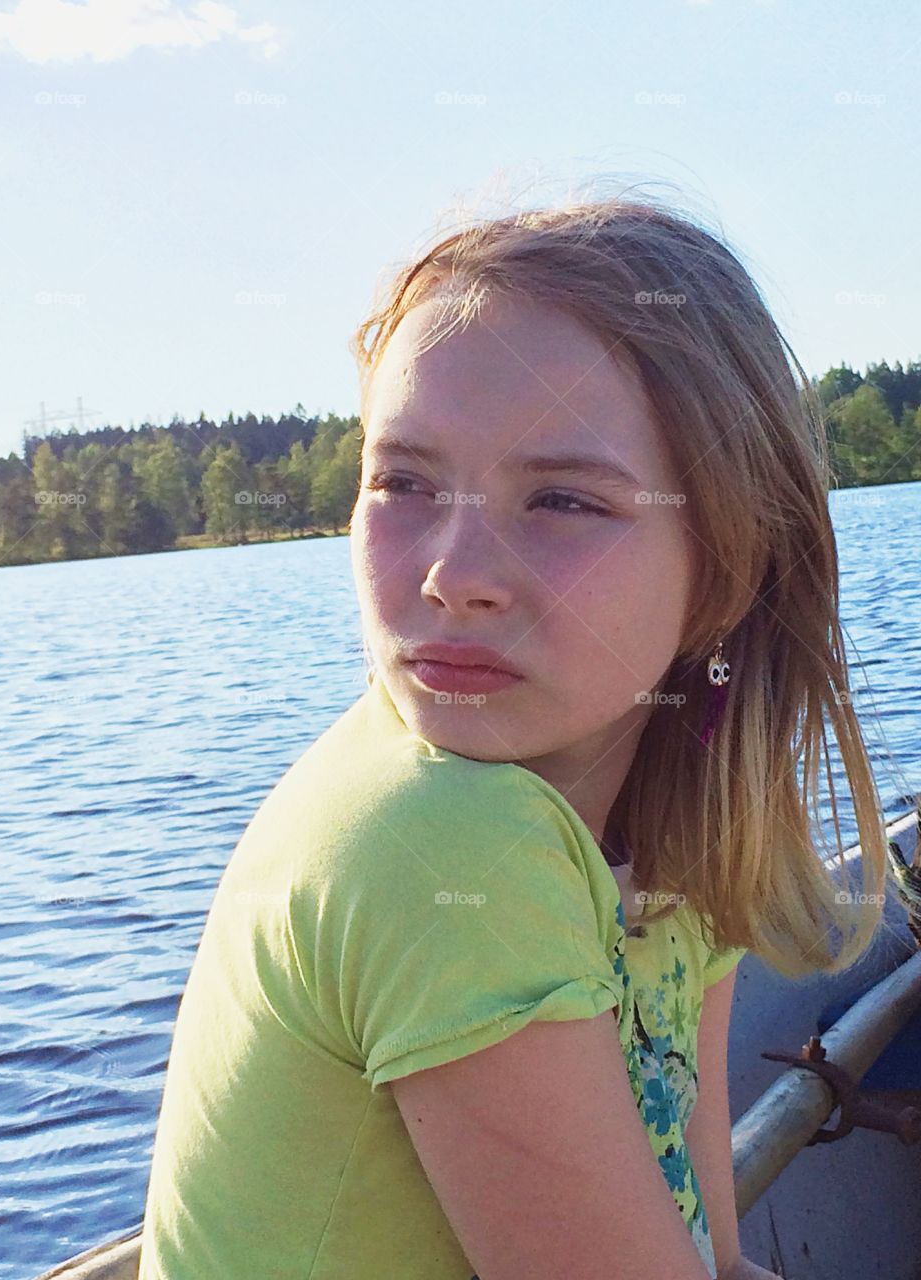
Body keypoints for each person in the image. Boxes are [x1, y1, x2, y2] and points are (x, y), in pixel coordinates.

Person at [136, 193, 890, 1279]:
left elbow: (713, 1254)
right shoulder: (444, 841)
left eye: (564, 501)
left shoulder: (681, 830)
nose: (452, 575)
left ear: (728, 563)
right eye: (403, 482)